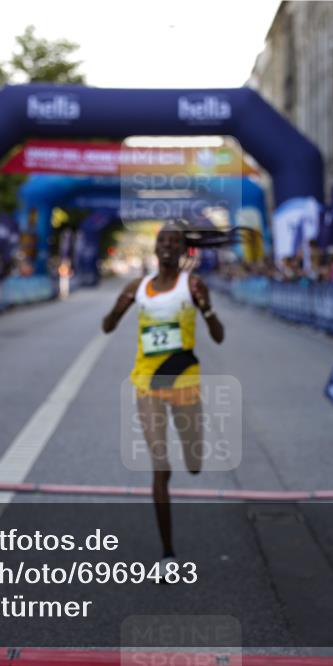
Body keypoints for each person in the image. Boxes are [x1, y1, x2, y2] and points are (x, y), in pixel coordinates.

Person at [102, 220, 226, 571]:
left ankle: (194, 453)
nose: (168, 246)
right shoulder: (138, 287)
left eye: (175, 241)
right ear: (156, 249)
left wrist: (208, 309)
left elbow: (218, 336)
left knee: (194, 463)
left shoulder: (194, 285)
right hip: (148, 384)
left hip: (184, 382)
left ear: (183, 249)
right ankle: (168, 553)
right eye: (163, 241)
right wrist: (117, 308)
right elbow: (107, 327)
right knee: (161, 467)